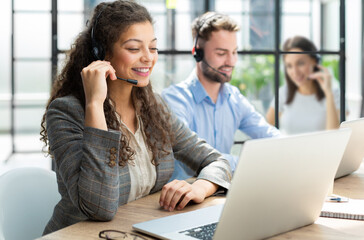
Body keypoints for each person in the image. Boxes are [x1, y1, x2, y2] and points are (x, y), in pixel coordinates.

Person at [39, 1, 231, 235]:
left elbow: (216, 161)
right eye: (133, 49)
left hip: (135, 230)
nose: (148, 58)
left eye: (153, 47)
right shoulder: (66, 112)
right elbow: (100, 207)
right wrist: (95, 105)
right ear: (101, 53)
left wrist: (202, 186)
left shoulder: (153, 107)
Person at [162, 12, 280, 180]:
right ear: (197, 53)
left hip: (219, 193)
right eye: (221, 53)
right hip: (182, 197)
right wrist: (250, 163)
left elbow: (268, 134)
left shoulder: (234, 98)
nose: (231, 61)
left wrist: (295, 152)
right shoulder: (175, 100)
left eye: (234, 52)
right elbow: (196, 157)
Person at [265, 36, 340, 135]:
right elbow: (264, 130)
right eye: (289, 66)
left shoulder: (334, 93)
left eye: (300, 63)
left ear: (314, 61)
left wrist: (328, 93)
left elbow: (334, 136)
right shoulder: (284, 93)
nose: (295, 72)